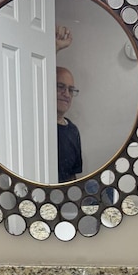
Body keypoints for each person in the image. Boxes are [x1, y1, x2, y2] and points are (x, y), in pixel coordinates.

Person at [55, 26, 82, 183]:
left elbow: (73, 177)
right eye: (60, 87)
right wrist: (56, 48)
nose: (66, 94)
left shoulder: (73, 131)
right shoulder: (39, 126)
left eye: (71, 90)